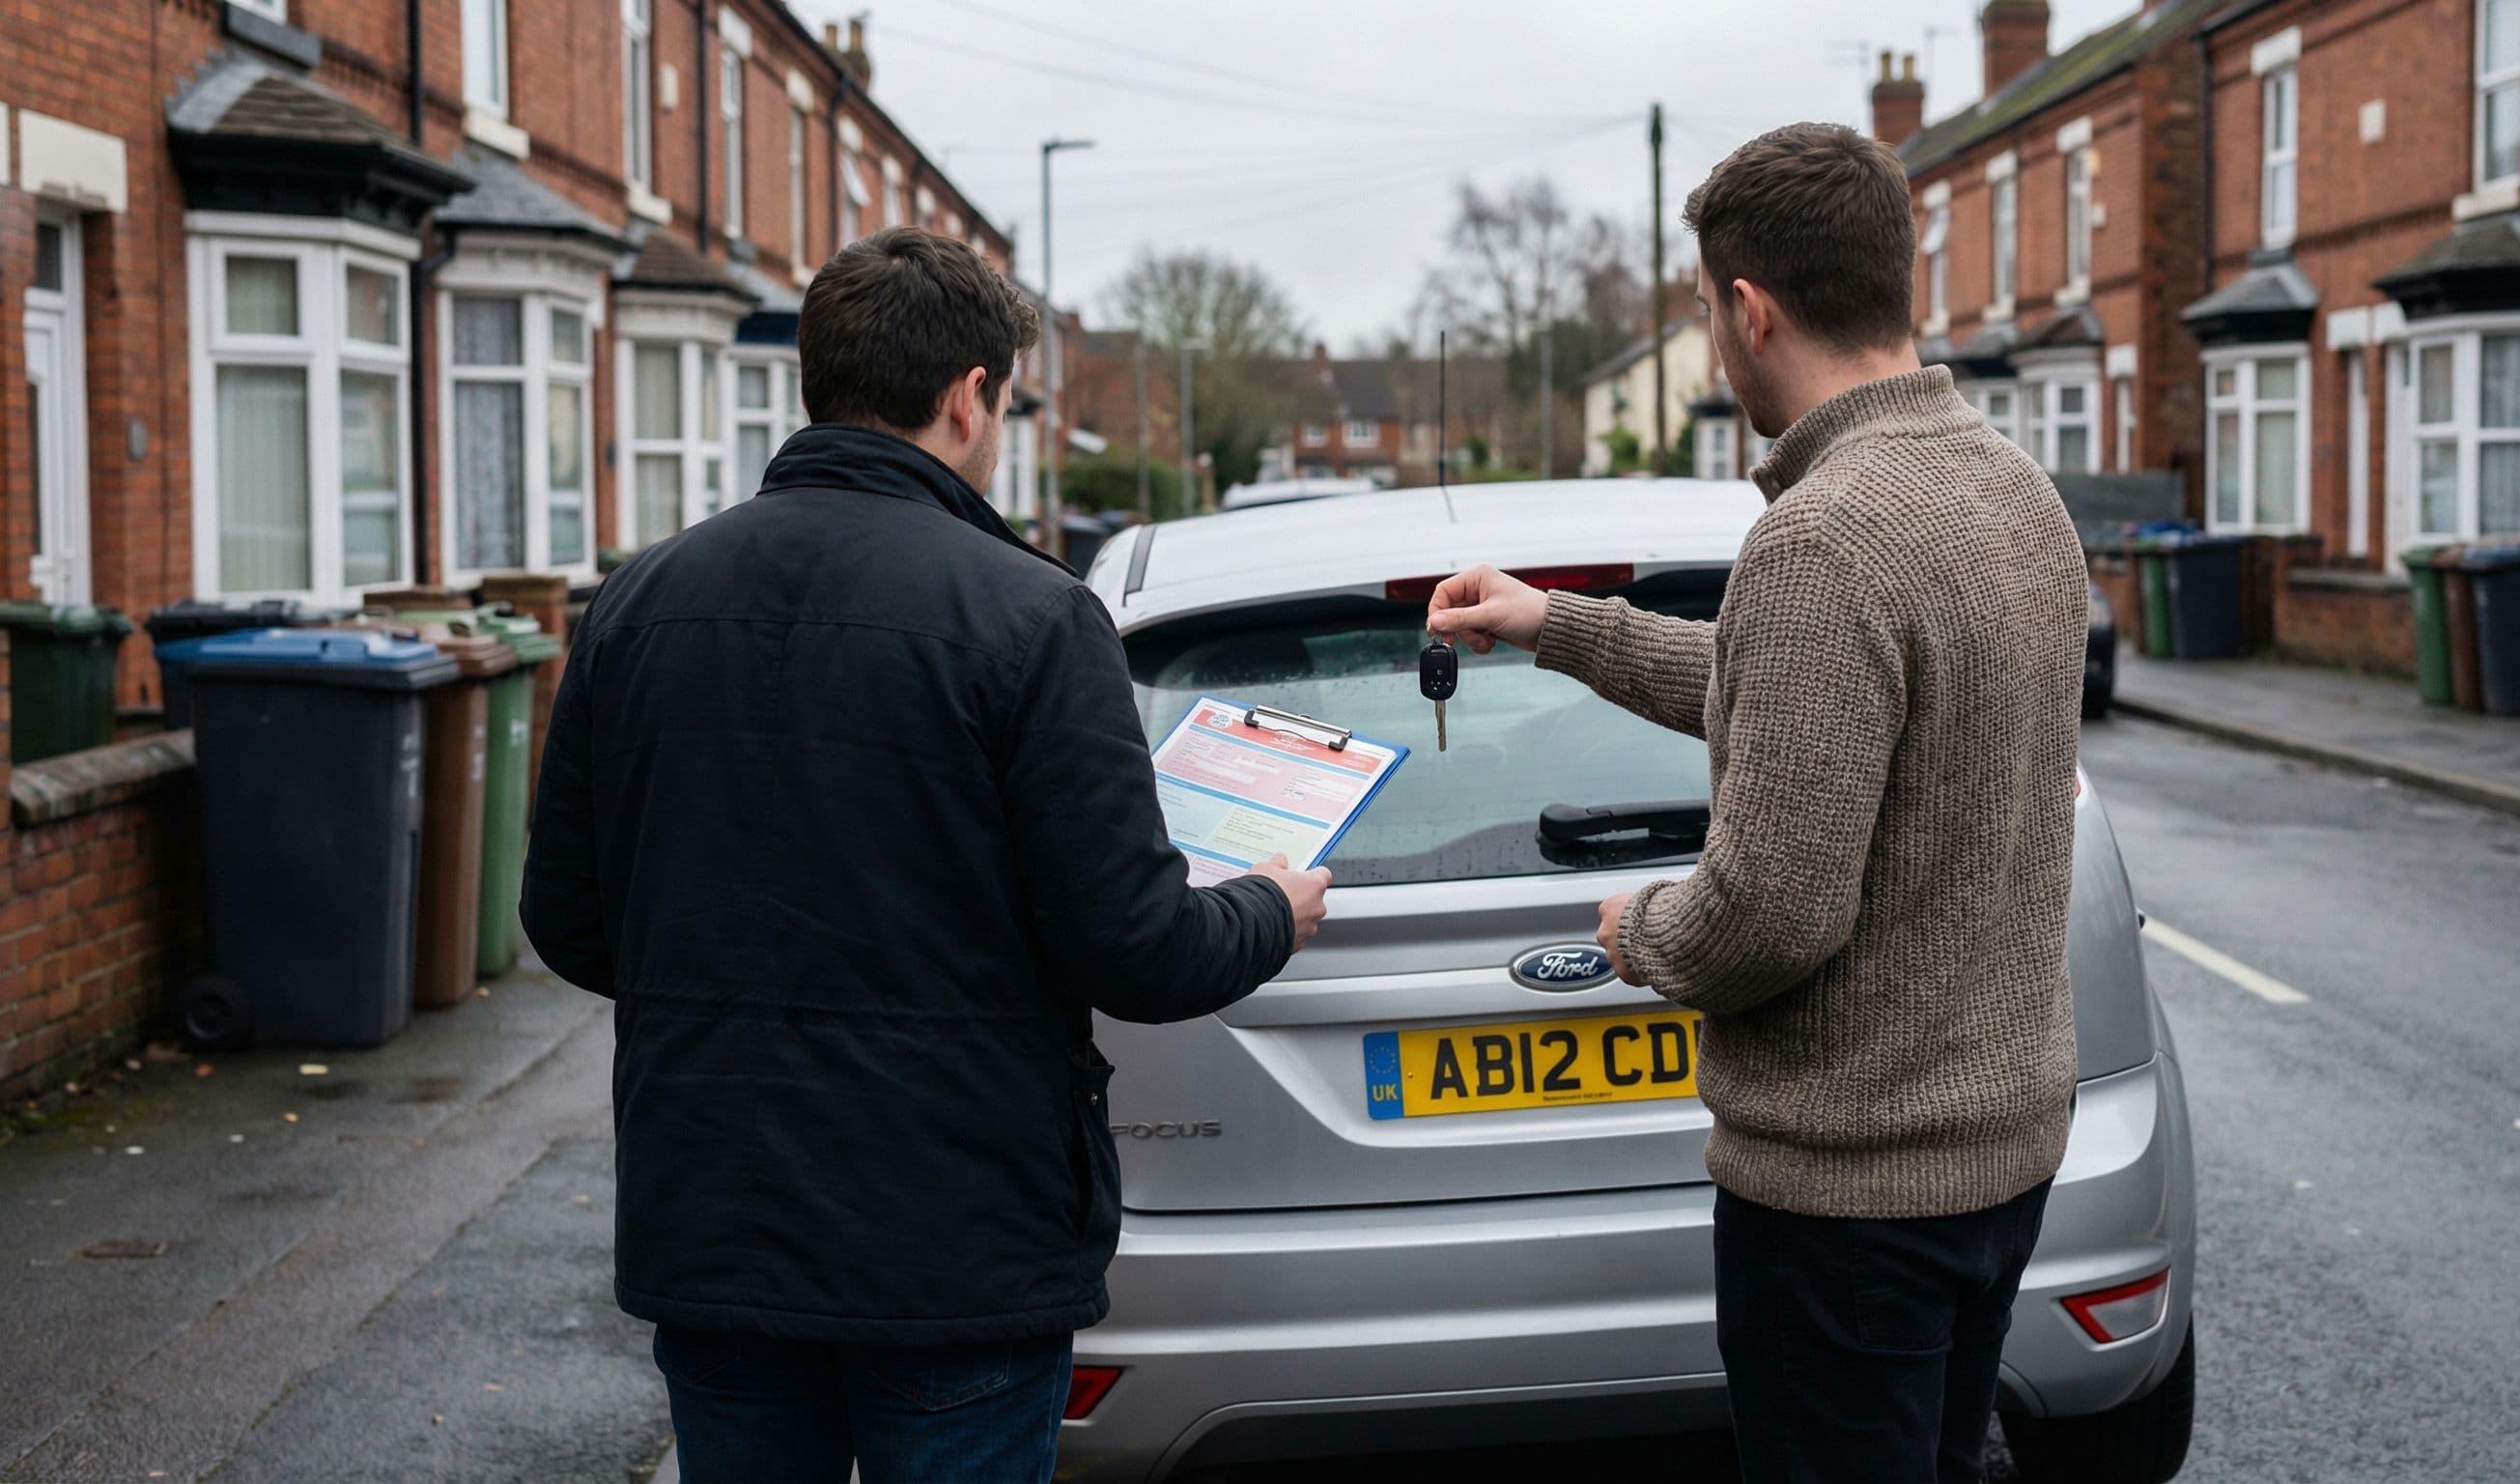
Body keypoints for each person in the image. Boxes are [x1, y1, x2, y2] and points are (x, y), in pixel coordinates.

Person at [521, 227, 1329, 1484]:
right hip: (960, 1247)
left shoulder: (635, 605)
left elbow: (566, 920)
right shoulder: (1032, 616)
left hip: (716, 1224)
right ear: (970, 397)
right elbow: (1139, 948)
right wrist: (1271, 908)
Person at [1425, 123, 2086, 1484]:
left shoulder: (1822, 535)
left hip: (1852, 1202)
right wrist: (1556, 624)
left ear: (1750, 307)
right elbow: (1793, 694)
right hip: (1998, 1159)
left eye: (1710, 315)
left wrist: (1634, 931)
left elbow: (1771, 914)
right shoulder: (2016, 495)